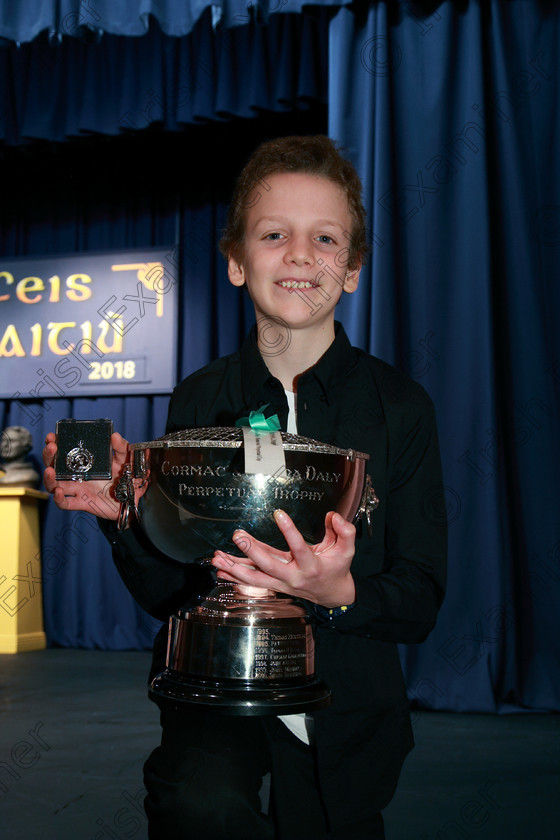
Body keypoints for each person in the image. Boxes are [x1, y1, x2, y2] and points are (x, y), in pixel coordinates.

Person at [43, 135, 447, 839]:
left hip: (347, 714)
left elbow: (419, 597)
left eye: (325, 238)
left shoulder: (400, 407)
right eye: (273, 234)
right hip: (214, 702)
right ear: (235, 261)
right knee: (200, 805)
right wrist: (127, 519)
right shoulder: (200, 399)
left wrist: (339, 592)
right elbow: (172, 593)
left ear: (351, 269)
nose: (299, 254)